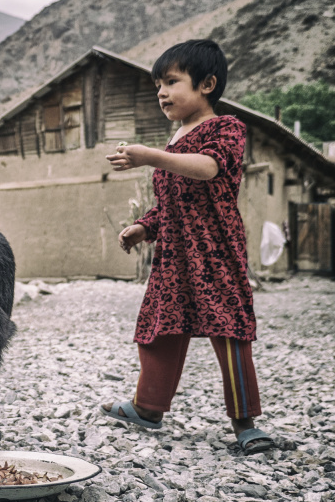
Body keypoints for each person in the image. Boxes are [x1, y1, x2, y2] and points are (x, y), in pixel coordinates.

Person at [100, 39, 273, 454]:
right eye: (158, 83)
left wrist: (151, 156)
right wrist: (143, 226)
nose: (162, 91)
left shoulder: (226, 129)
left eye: (172, 81)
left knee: (229, 331)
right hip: (174, 259)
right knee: (158, 331)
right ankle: (148, 408)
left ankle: (246, 423)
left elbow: (208, 169)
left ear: (207, 84)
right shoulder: (175, 139)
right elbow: (173, 203)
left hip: (214, 252)